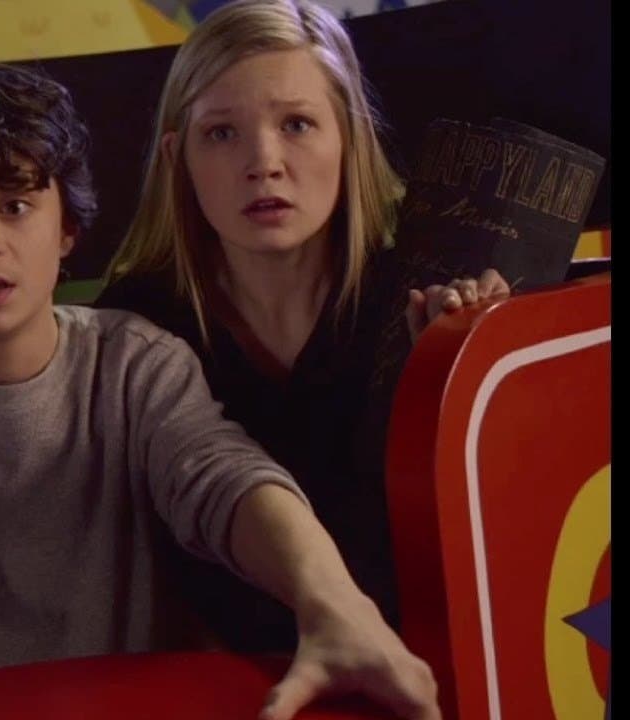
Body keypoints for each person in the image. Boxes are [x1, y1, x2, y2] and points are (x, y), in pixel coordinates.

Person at [0, 64, 438, 720]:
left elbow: (221, 477)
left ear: (66, 229)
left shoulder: (136, 364)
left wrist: (334, 603)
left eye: (15, 205)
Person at [95, 0, 510, 655]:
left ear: (349, 138)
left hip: (414, 666)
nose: (264, 162)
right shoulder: (133, 325)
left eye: (296, 124)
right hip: (211, 680)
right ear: (178, 157)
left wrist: (472, 366)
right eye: (222, 133)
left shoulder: (419, 301)